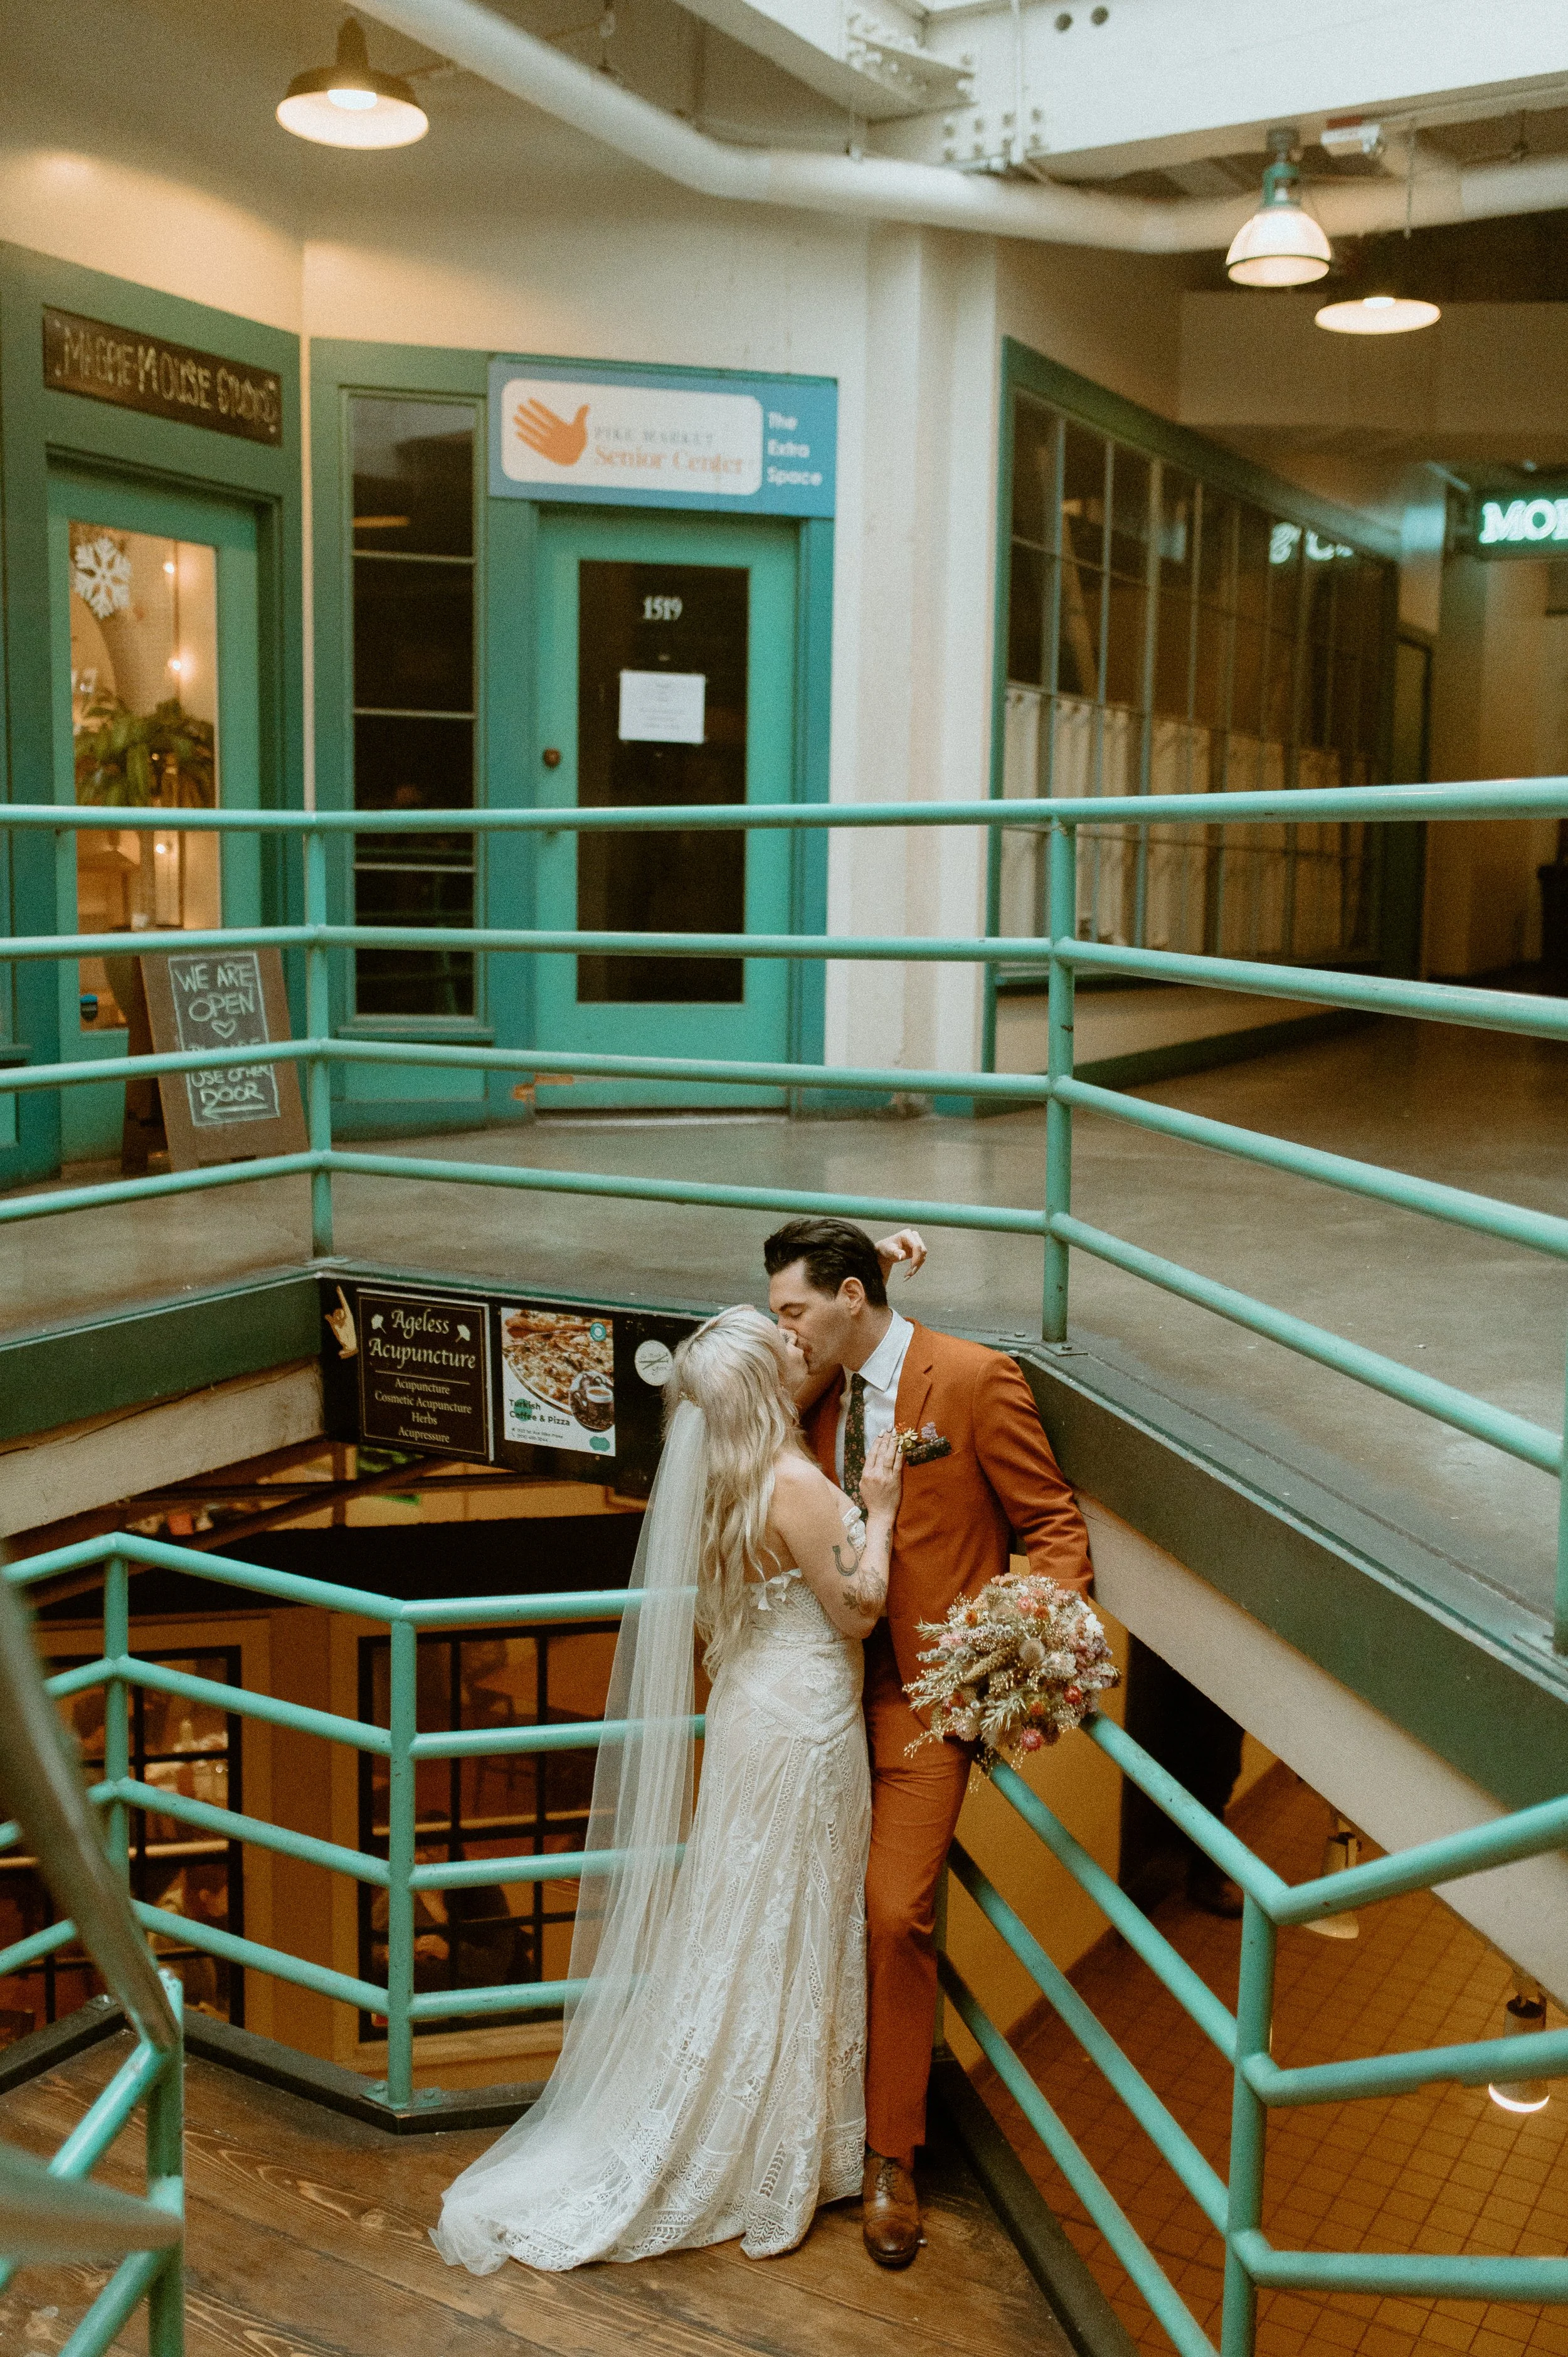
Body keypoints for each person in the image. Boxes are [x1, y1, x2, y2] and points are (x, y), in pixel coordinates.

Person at [432, 1304, 903, 2271]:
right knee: (795, 1914)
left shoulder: (721, 1478)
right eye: (787, 1353)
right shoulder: (799, 1487)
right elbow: (858, 1612)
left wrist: (873, 1278)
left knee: (740, 1914)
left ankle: (756, 2114)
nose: (800, 1352)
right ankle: (784, 2142)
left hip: (747, 1714)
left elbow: (755, 1370)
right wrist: (883, 1510)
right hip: (808, 1723)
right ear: (769, 1391)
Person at [763, 1216, 1093, 2270]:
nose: (786, 1332)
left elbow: (1053, 1528)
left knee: (894, 1909)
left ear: (852, 1298)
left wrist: (1009, 1646)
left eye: (798, 1311)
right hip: (812, 1682)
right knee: (787, 1896)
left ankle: (890, 2152)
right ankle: (791, 2111)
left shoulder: (975, 1378)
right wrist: (881, 1260)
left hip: (919, 1699)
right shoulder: (811, 1382)